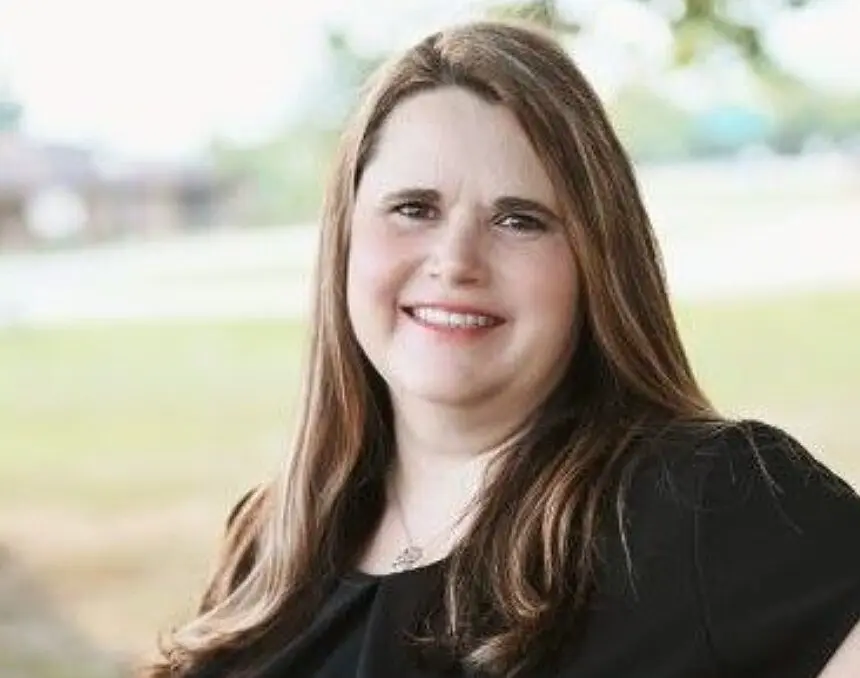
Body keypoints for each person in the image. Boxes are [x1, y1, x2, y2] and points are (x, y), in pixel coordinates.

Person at [142, 20, 860, 678]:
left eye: (520, 220)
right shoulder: (273, 535)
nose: (456, 261)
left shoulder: (714, 501)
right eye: (414, 209)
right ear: (346, 240)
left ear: (597, 262)